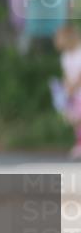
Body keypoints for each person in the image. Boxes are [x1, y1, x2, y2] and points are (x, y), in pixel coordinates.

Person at [51, 24, 81, 159]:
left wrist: (73, 86)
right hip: (73, 94)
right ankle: (79, 142)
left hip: (78, 91)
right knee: (75, 120)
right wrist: (66, 87)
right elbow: (66, 74)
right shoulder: (65, 56)